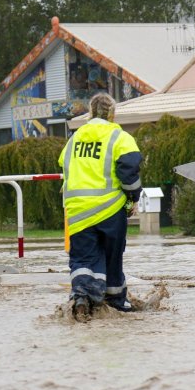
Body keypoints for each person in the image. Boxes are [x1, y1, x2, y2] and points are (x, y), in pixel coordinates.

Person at [59, 92, 142, 322]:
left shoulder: (74, 139)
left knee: (82, 259)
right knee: (112, 258)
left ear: (90, 112)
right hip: (110, 210)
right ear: (113, 114)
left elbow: (64, 167)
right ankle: (116, 303)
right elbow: (129, 171)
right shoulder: (119, 136)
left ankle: (81, 297)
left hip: (77, 212)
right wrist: (134, 197)